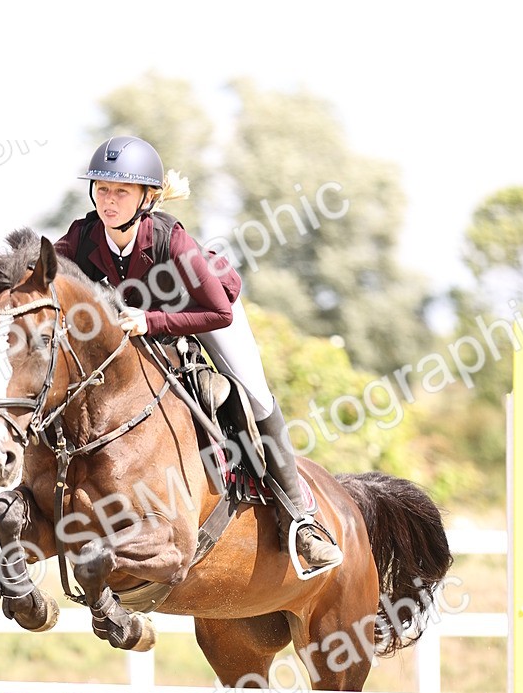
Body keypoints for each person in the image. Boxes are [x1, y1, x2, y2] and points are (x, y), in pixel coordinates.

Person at [54, 135, 342, 574]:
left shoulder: (173, 241)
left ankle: (301, 519)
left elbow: (218, 312)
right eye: (102, 189)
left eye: (120, 192)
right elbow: (46, 277)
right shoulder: (83, 235)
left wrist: (150, 321)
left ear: (146, 198)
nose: (108, 201)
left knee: (254, 395)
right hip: (140, 325)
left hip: (204, 312)